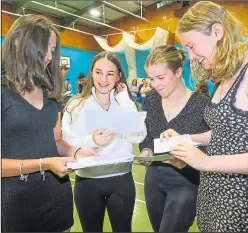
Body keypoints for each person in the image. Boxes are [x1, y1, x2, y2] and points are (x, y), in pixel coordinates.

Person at [1, 14, 98, 232]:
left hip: (57, 199)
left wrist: (75, 151)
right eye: (44, 48)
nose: (48, 56)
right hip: (16, 206)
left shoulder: (50, 92)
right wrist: (44, 163)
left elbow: (57, 141)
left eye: (53, 51)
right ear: (19, 42)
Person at [161, 1, 248, 232]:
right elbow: (225, 132)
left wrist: (206, 161)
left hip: (240, 203)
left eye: (192, 46)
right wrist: (187, 140)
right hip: (214, 194)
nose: (192, 56)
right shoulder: (224, 75)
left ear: (217, 32)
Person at [62, 51, 147, 232]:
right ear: (91, 72)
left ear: (118, 77)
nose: (103, 79)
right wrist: (91, 140)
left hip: (122, 181)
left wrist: (124, 100)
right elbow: (66, 143)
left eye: (110, 73)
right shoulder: (76, 105)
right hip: (88, 182)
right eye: (99, 72)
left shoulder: (124, 103)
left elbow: (138, 136)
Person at [139, 45, 210, 232]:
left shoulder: (202, 104)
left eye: (161, 78)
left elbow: (211, 147)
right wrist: (146, 150)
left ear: (178, 72)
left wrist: (185, 161)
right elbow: (146, 134)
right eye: (151, 79)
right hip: (154, 179)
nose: (155, 84)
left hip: (186, 181)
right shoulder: (152, 100)